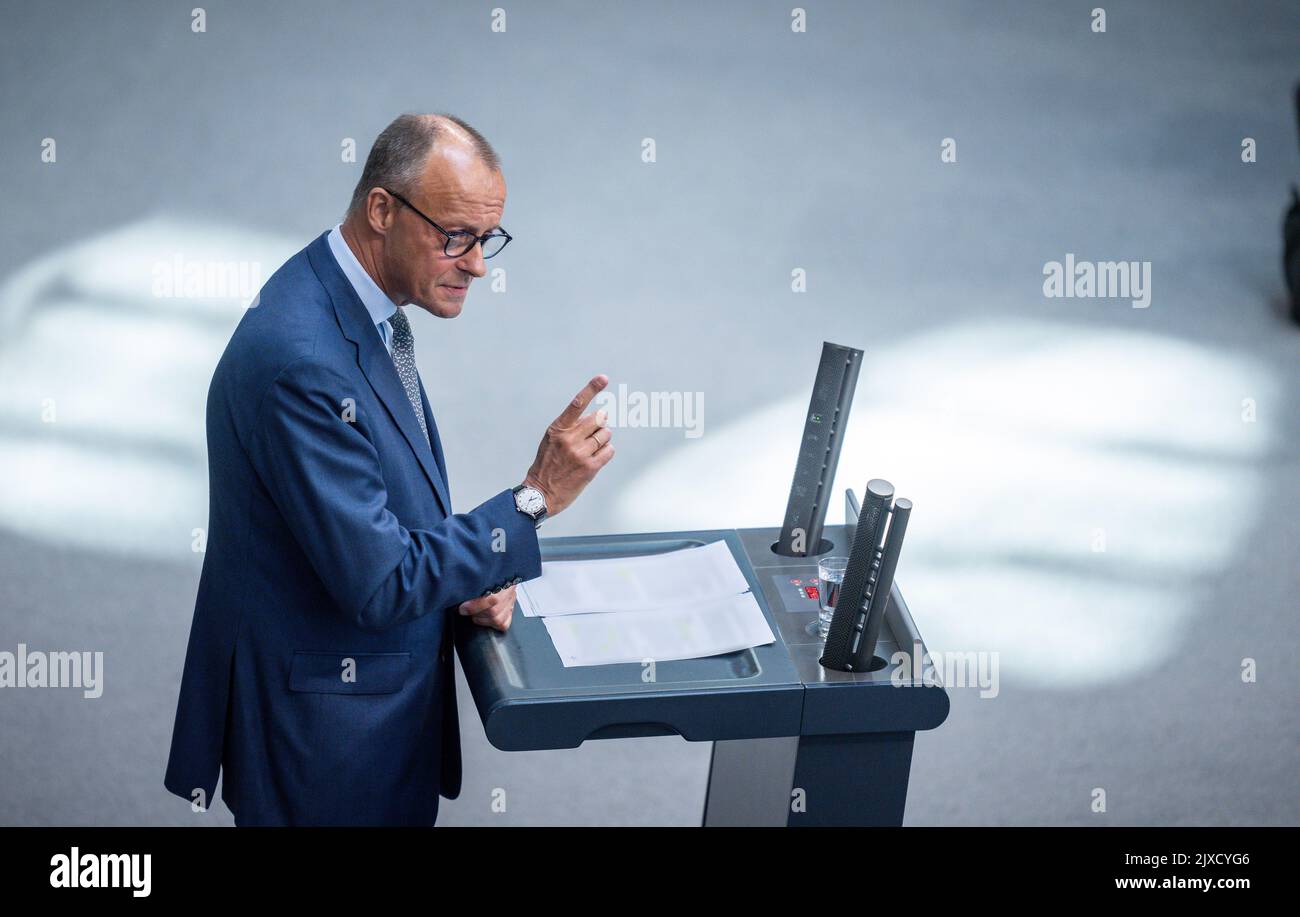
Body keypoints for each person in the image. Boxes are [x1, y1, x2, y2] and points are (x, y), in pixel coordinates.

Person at [163, 113, 614, 825]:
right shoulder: (302, 362)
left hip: (359, 709)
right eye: (456, 237)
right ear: (382, 210)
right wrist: (532, 501)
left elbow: (374, 524)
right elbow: (379, 582)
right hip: (324, 743)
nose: (477, 264)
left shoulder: (359, 306)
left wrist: (469, 578)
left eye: (486, 238)